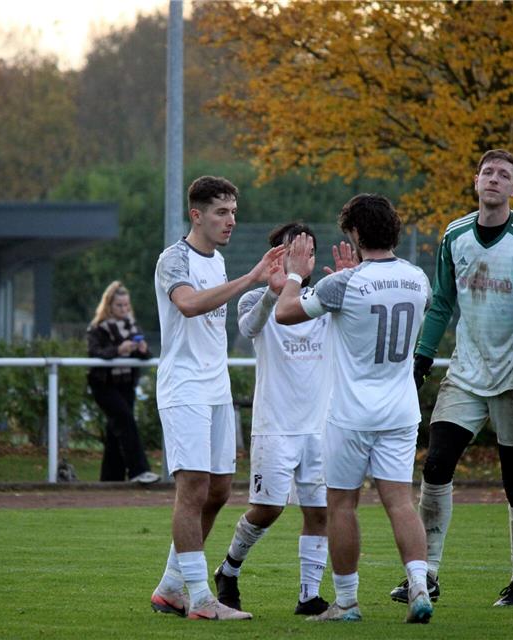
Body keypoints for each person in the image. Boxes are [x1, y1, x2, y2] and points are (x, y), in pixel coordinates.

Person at [389, 149, 513, 608]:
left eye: (504, 175)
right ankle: (427, 575)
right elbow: (442, 302)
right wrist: (422, 359)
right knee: (437, 464)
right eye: (487, 172)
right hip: (466, 372)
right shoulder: (455, 234)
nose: (494, 179)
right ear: (475, 181)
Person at [276, 194, 433, 624]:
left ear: (357, 234)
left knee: (342, 504)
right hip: (401, 409)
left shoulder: (344, 284)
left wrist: (294, 275)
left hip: (351, 413)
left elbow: (285, 311)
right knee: (400, 501)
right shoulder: (419, 278)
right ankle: (419, 585)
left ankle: (346, 602)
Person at [149, 175, 283, 621]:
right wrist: (251, 278)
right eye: (222, 212)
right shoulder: (174, 259)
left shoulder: (218, 261)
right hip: (184, 386)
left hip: (215, 387)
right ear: (196, 215)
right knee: (192, 489)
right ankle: (201, 598)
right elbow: (188, 305)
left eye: (233, 212)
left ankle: (170, 587)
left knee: (220, 489)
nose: (231, 221)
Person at [213, 222, 351, 617]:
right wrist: (276, 289)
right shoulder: (256, 300)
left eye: (304, 252)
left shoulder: (322, 299)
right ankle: (229, 569)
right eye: (290, 251)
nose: (298, 259)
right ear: (275, 255)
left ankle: (308, 596)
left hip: (319, 427)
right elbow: (248, 328)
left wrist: (348, 284)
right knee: (268, 508)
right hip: (275, 425)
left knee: (319, 511)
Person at [86, 280, 158, 484]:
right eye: (119, 305)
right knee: (125, 422)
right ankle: (139, 470)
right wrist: (118, 350)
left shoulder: (132, 326)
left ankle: (110, 480)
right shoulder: (97, 328)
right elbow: (95, 353)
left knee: (115, 430)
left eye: (127, 305)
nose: (124, 309)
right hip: (104, 384)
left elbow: (147, 356)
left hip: (126, 384)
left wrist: (142, 349)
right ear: (108, 305)